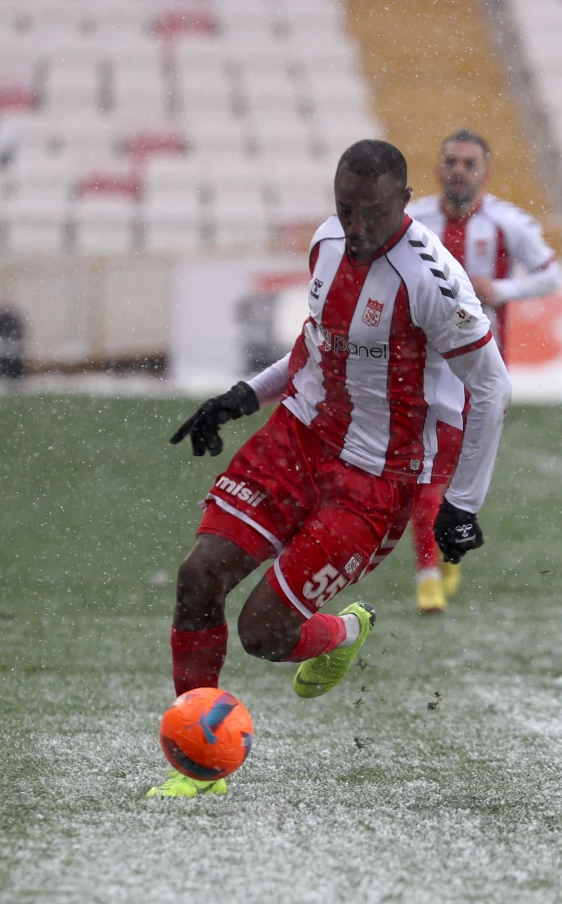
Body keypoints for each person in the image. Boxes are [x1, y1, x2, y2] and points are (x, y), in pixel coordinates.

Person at [150, 139, 512, 798]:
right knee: (198, 578)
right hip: (297, 438)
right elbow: (317, 347)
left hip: (375, 479)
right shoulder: (326, 242)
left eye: (374, 212)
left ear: (405, 201)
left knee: (262, 633)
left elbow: (491, 387)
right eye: (347, 209)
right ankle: (198, 770)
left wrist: (463, 503)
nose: (358, 227)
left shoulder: (433, 282)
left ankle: (344, 631)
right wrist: (242, 397)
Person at [404, 129, 559, 614]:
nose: (458, 171)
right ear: (437, 168)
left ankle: (448, 541)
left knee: (458, 469)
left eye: (469, 164)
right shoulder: (415, 221)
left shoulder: (507, 223)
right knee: (425, 468)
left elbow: (550, 274)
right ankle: (427, 573)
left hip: (479, 369)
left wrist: (503, 289)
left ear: (486, 173)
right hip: (423, 367)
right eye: (451, 161)